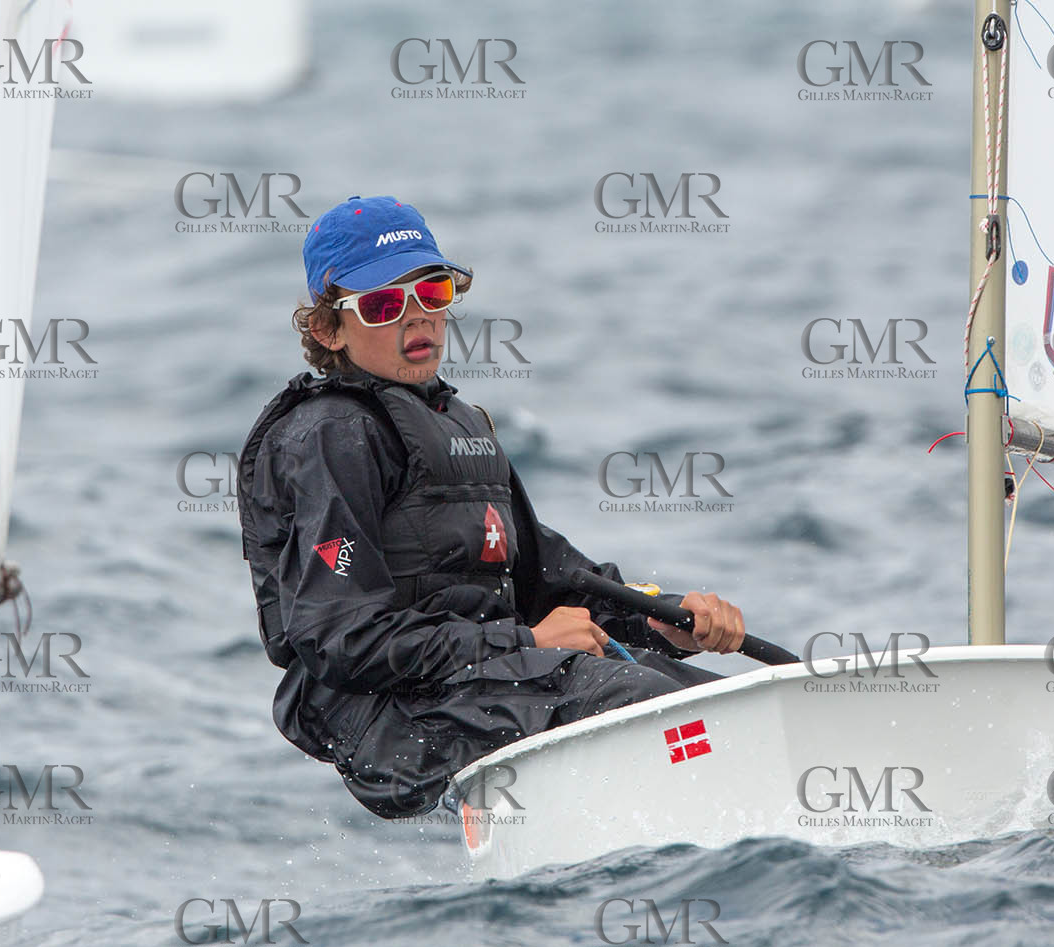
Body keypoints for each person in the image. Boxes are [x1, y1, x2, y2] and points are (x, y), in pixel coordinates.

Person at [237, 195, 744, 818]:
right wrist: (525, 640)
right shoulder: (329, 435)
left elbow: (549, 581)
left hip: (486, 675)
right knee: (640, 700)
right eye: (383, 305)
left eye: (433, 292)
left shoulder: (461, 426)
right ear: (328, 330)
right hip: (387, 711)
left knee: (720, 698)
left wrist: (658, 620)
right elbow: (337, 637)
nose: (416, 318)